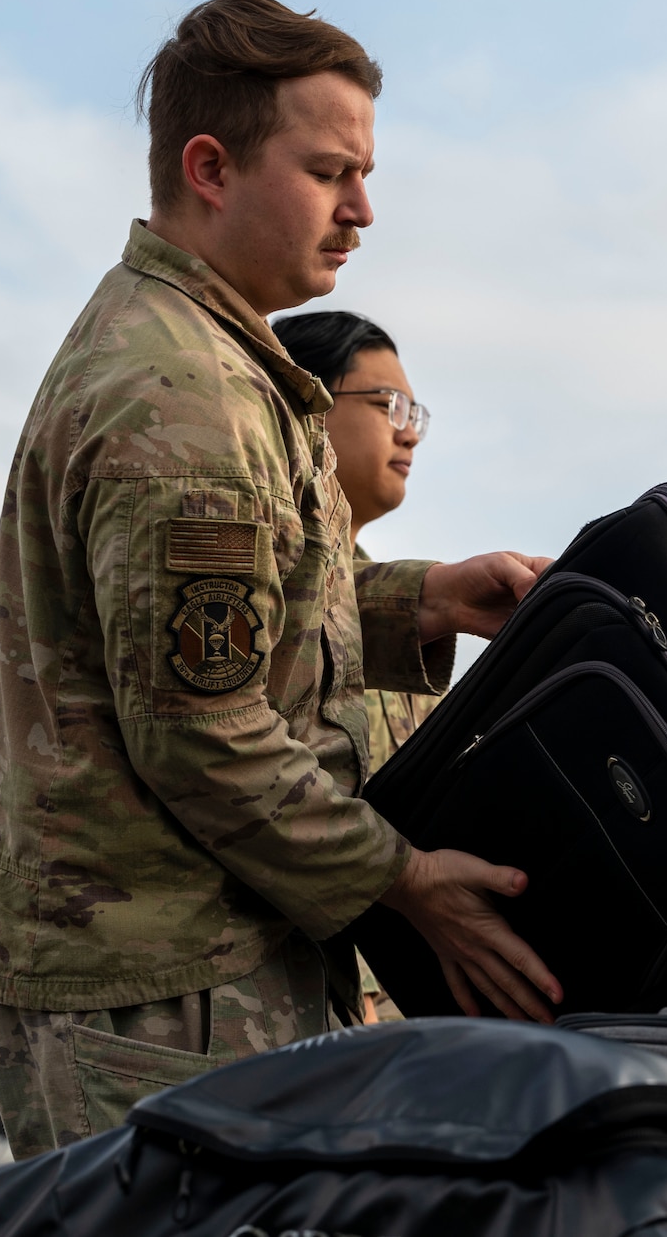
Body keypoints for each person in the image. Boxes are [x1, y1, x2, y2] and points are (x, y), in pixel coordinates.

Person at [0, 0, 563, 1159]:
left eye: (364, 174)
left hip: (169, 956)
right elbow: (201, 728)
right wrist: (408, 876)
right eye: (330, 171)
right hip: (161, 977)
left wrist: (421, 599)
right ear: (210, 167)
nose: (362, 210)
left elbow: (219, 628)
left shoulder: (206, 351)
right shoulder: (184, 398)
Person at [274, 309, 438, 1020]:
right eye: (388, 405)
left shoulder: (398, 604)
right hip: (328, 999)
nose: (408, 431)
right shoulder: (272, 589)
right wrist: (365, 993)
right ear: (306, 404)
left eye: (416, 413)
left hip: (406, 1001)